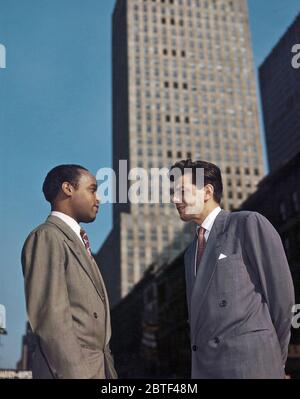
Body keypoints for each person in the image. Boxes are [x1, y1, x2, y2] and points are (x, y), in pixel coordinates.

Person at [170, 159, 294, 379]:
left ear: (207, 191)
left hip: (252, 366)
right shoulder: (190, 254)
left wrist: (275, 360)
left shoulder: (247, 223)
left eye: (181, 191)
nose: (174, 199)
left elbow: (282, 301)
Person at [21, 164, 117, 379]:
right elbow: (50, 318)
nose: (98, 198)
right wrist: (78, 373)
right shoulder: (48, 236)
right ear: (68, 188)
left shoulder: (77, 241)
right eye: (92, 189)